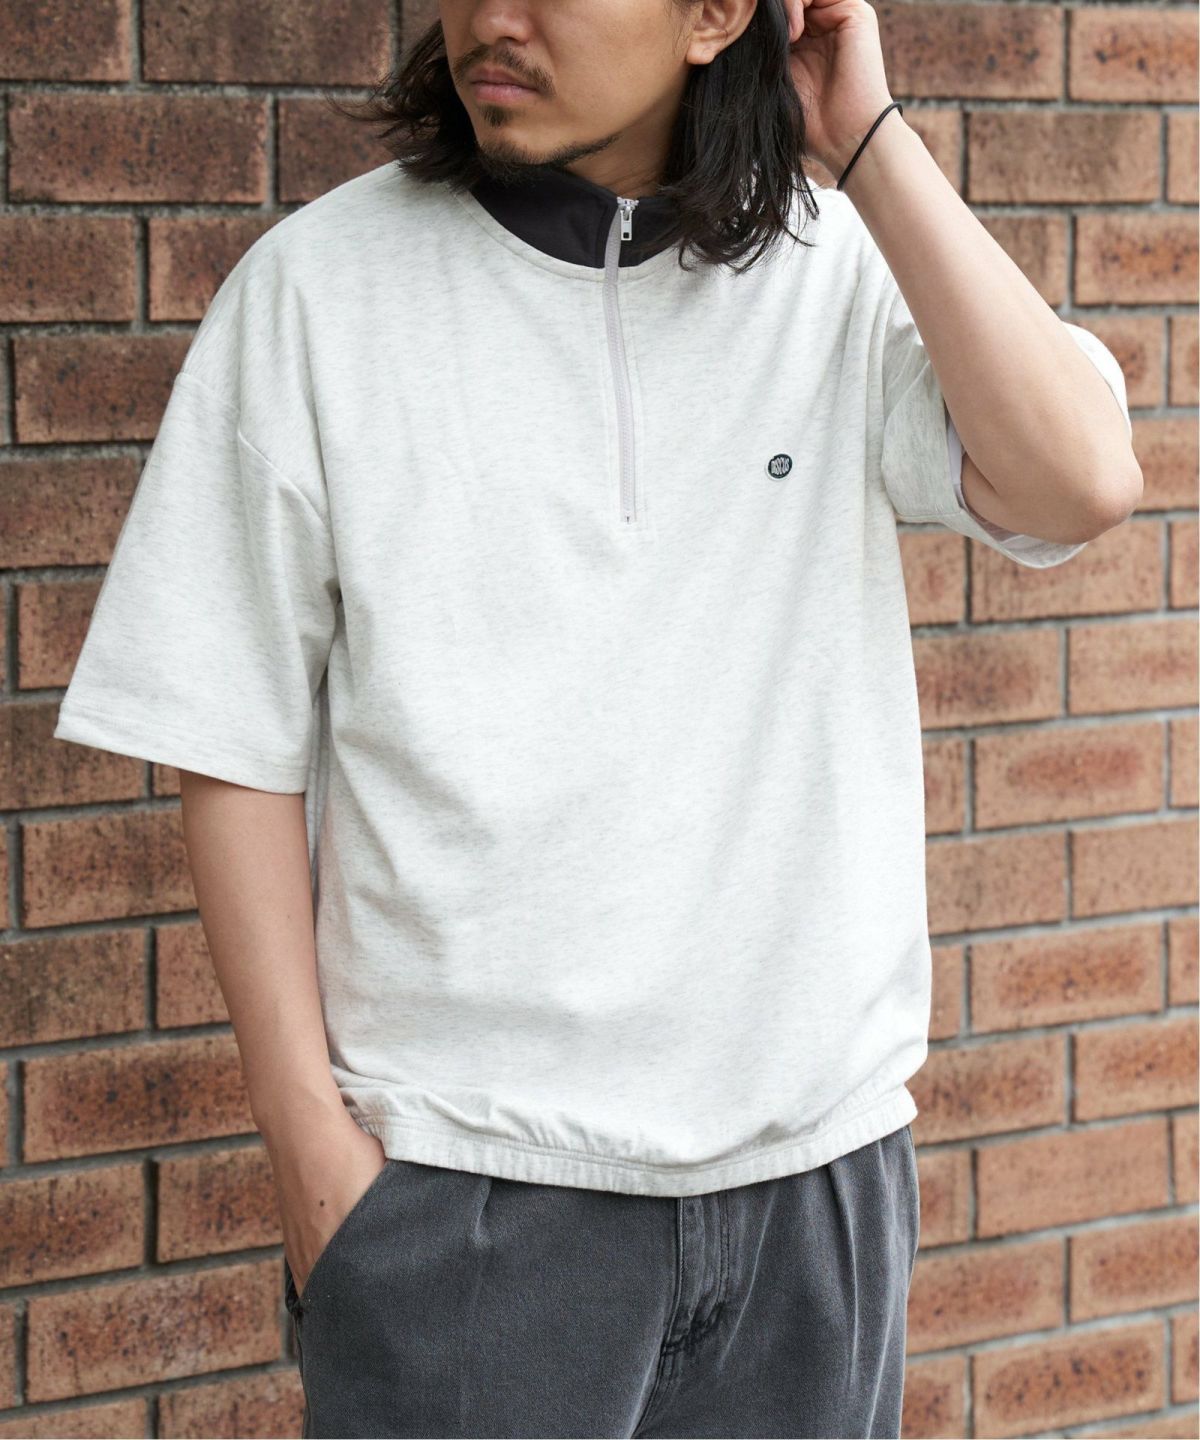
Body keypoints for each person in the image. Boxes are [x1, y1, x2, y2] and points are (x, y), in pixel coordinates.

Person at [52, 2, 1140, 1436]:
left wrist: (865, 141)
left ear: (715, 14)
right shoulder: (317, 292)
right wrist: (314, 1156)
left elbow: (1079, 482)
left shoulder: (838, 274)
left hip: (811, 1188)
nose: (492, 22)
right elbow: (228, 739)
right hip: (467, 1197)